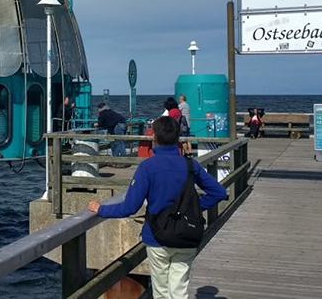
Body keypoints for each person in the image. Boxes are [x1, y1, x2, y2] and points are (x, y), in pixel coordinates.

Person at [88, 116, 227, 299]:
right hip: (187, 235)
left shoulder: (148, 167)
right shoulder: (190, 165)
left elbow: (129, 207)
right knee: (179, 291)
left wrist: (101, 210)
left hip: (157, 236)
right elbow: (219, 193)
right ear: (178, 138)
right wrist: (193, 209)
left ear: (154, 137)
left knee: (161, 292)